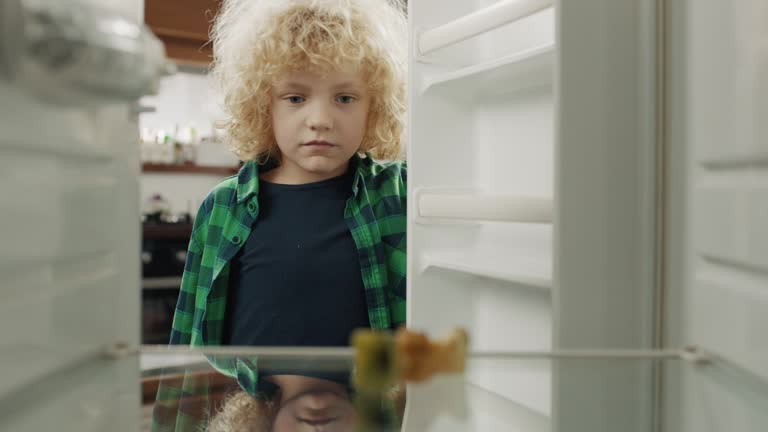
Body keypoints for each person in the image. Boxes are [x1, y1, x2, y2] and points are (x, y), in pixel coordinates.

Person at [151, 0, 407, 430]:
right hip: (252, 418)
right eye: (295, 97)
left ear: (374, 104)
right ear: (262, 104)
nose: (320, 119)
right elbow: (186, 350)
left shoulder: (394, 193)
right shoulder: (223, 207)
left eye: (345, 97)